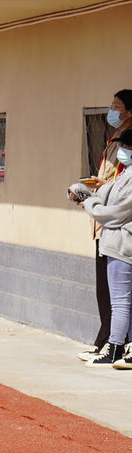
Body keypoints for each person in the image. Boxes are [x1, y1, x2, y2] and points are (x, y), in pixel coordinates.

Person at [77, 90, 132, 360]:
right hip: (107, 227)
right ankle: (107, 341)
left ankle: (115, 345)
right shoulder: (116, 138)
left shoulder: (126, 142)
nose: (111, 111)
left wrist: (93, 200)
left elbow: (121, 201)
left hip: (119, 231)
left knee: (119, 297)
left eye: (116, 106)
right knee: (108, 291)